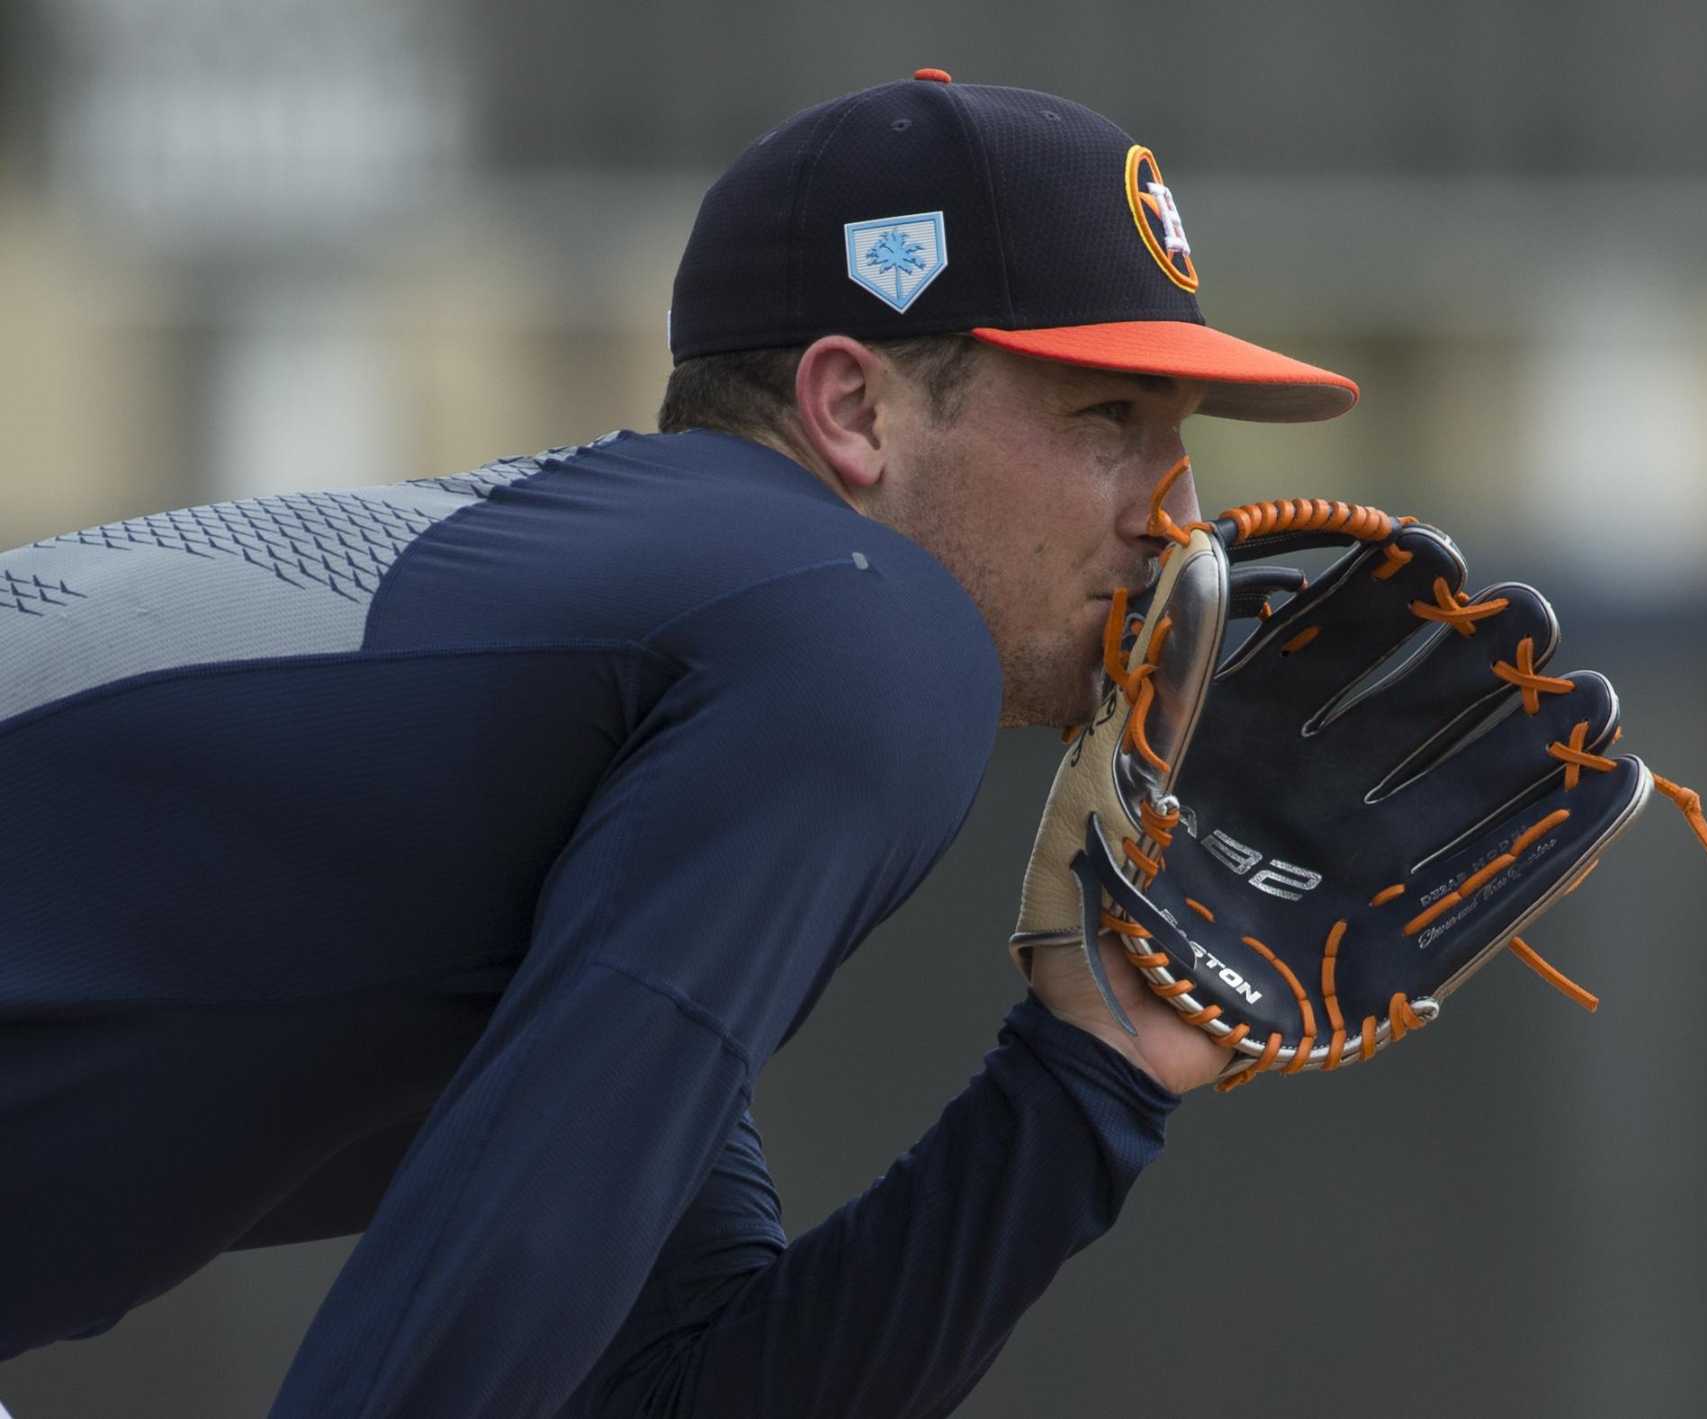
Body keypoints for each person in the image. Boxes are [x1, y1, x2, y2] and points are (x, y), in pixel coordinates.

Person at [0, 71, 1357, 1416]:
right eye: (1106, 418)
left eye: (1176, 438)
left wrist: (1093, 1076)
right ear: (854, 410)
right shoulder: (857, 619)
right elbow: (477, 1303)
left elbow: (673, 1391)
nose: (1175, 513)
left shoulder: (630, 662)